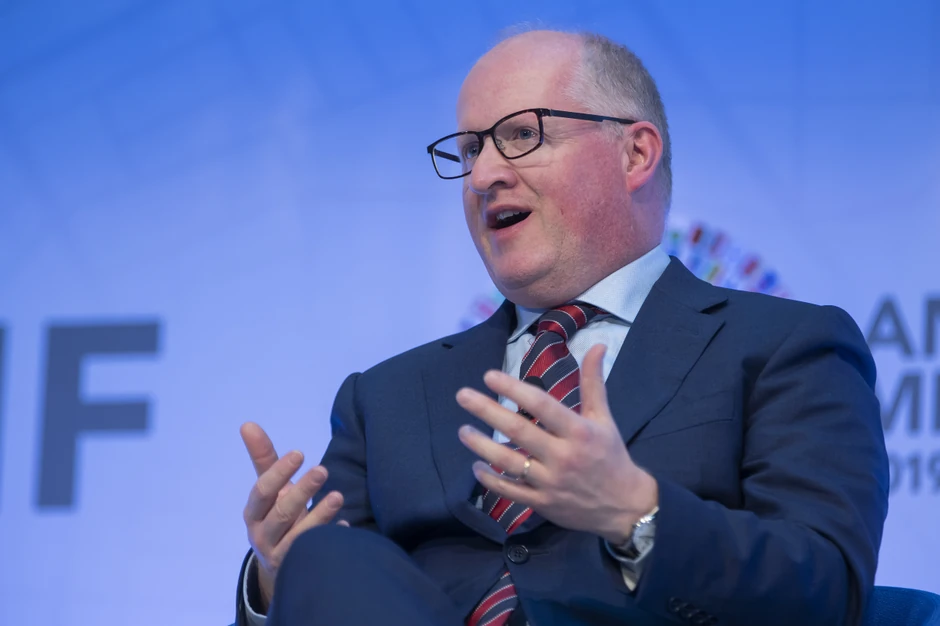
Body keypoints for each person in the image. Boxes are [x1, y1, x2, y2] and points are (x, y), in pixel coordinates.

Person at [234, 29, 889, 626]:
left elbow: (826, 590)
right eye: (471, 149)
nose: (484, 175)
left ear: (635, 153)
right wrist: (277, 580)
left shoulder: (784, 348)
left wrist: (634, 512)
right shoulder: (385, 396)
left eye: (522, 135)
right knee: (327, 558)